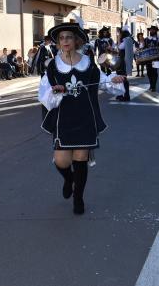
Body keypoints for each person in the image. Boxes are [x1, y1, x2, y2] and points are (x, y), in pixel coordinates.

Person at [38, 23, 125, 215]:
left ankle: (79, 198)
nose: (65, 41)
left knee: (80, 157)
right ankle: (69, 179)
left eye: (68, 37)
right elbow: (43, 94)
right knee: (61, 160)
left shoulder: (88, 62)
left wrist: (114, 80)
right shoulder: (53, 66)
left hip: (85, 116)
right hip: (64, 118)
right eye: (61, 38)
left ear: (76, 40)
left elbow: (102, 81)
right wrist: (55, 91)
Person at [115, 27, 133, 101]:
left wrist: (118, 38)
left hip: (124, 62)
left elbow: (120, 47)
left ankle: (126, 95)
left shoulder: (126, 40)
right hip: (122, 61)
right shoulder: (128, 40)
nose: (119, 34)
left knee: (123, 78)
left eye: (120, 33)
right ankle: (120, 94)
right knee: (120, 77)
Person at [144, 26, 159, 91]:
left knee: (154, 72)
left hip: (155, 58)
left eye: (153, 30)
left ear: (155, 31)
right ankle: (151, 84)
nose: (152, 31)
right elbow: (144, 48)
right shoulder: (146, 39)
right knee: (149, 72)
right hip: (148, 58)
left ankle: (154, 86)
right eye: (151, 30)